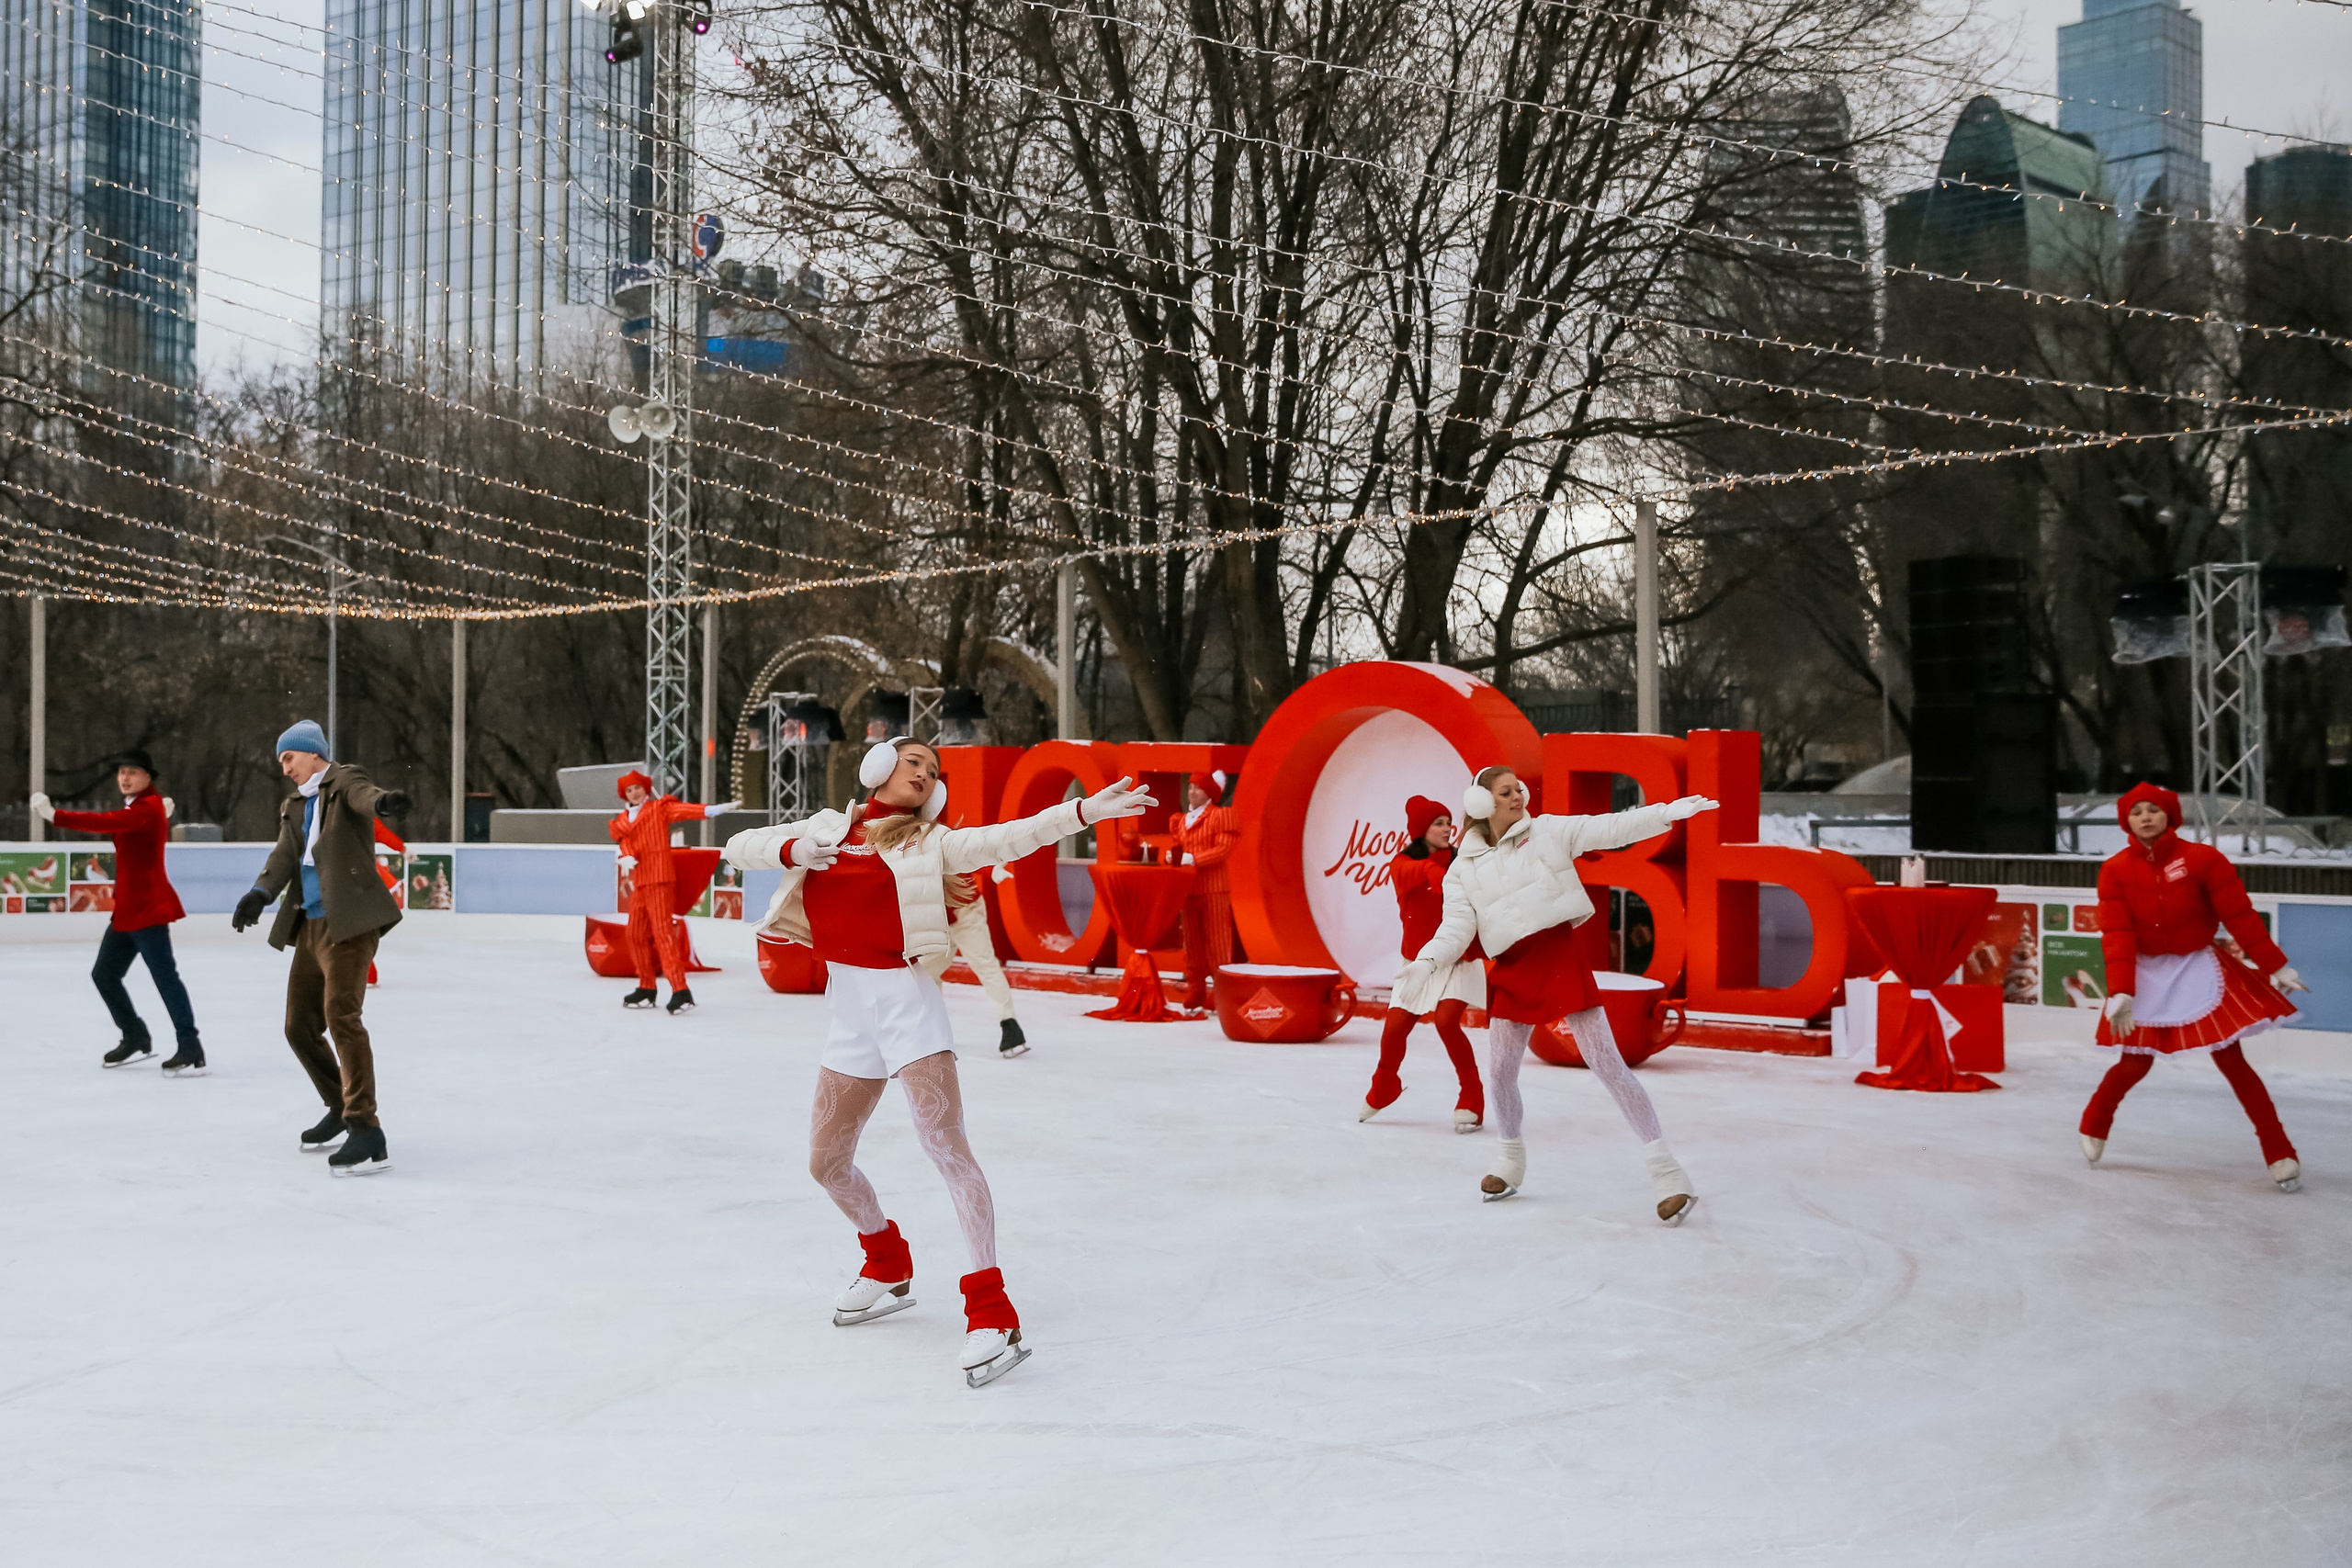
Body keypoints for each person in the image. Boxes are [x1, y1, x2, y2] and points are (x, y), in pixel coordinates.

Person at [725, 737, 1153, 1387]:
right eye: (914, 762)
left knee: (946, 1148)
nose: (924, 774)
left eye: (933, 771)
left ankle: (992, 1308)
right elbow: (738, 846)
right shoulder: (826, 828)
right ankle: (887, 1260)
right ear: (878, 769)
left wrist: (1082, 813)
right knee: (825, 1161)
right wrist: (794, 850)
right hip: (848, 1010)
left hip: (908, 1005)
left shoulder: (930, 842)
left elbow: (1009, 838)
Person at [1394, 766, 1718, 1223]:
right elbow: (1456, 928)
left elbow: (1612, 826)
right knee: (1501, 1073)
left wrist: (1668, 814)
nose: (1518, 797)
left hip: (1559, 957)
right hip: (1513, 967)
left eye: (1519, 789)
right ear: (1481, 803)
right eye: (1506, 792)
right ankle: (1510, 1160)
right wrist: (1426, 962)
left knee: (1607, 1064)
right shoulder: (1461, 869)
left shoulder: (1548, 831)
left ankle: (1668, 1175)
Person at [2079, 782, 2309, 1190]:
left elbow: (2238, 914)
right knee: (2134, 1063)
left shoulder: (2203, 859)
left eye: (2154, 809)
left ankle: (2280, 1152)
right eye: (2137, 811)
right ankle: (2094, 1123)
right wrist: (2121, 991)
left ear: (2170, 815)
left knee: (2233, 1062)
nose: (2146, 817)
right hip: (2144, 975)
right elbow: (2116, 933)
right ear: (2125, 821)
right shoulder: (2114, 869)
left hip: (2196, 968)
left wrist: (2277, 965)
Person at [231, 721, 411, 1176]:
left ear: (312, 753)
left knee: (342, 1019)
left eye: (288, 757)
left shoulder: (343, 780)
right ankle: (338, 1106)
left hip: (348, 922)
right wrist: (259, 894)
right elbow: (285, 856)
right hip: (309, 924)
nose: (285, 767)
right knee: (299, 1026)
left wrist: (384, 803)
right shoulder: (294, 804)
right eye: (281, 761)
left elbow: (364, 796)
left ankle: (367, 1129)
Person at [32, 749, 203, 1073]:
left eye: (132, 772)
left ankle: (190, 1044)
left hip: (148, 909)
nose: (124, 778)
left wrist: (55, 815)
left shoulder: (146, 808)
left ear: (148, 778)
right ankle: (135, 1035)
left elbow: (104, 822)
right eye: (122, 772)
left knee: (165, 978)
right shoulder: (144, 808)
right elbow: (128, 830)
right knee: (104, 975)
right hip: (128, 910)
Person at [1360, 795, 1486, 1131]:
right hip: (1419, 960)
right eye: (1438, 823)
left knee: (1446, 1021)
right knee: (1395, 1028)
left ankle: (1472, 1095)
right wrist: (1433, 870)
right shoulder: (1402, 863)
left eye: (1448, 822)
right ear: (1420, 831)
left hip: (1459, 957)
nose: (1447, 828)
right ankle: (1385, 1084)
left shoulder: (1465, 860)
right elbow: (1411, 872)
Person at [609, 770, 737, 1014]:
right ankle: (647, 986)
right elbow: (626, 843)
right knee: (635, 934)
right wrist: (626, 857)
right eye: (629, 790)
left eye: (637, 787)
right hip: (641, 882)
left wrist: (710, 810)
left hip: (659, 879)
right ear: (624, 795)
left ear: (646, 789)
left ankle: (680, 989)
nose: (634, 793)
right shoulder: (623, 821)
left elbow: (683, 811)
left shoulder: (658, 809)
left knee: (663, 933)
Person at [1169, 770, 1238, 1012]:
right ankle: (1196, 991)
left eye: (1197, 788)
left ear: (1209, 793)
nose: (1192, 792)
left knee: (1218, 946)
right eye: (1190, 787)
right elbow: (1178, 847)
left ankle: (1223, 995)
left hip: (1214, 890)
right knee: (1193, 947)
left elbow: (1223, 850)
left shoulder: (1220, 816)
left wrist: (1193, 859)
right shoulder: (1181, 820)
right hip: (1189, 891)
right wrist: (1173, 856)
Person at [949, 871, 1028, 1055]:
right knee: (926, 971)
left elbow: (967, 850)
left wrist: (992, 868)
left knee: (985, 965)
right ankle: (933, 1028)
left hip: (964, 908)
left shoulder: (939, 841)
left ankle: (1009, 1024)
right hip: (934, 917)